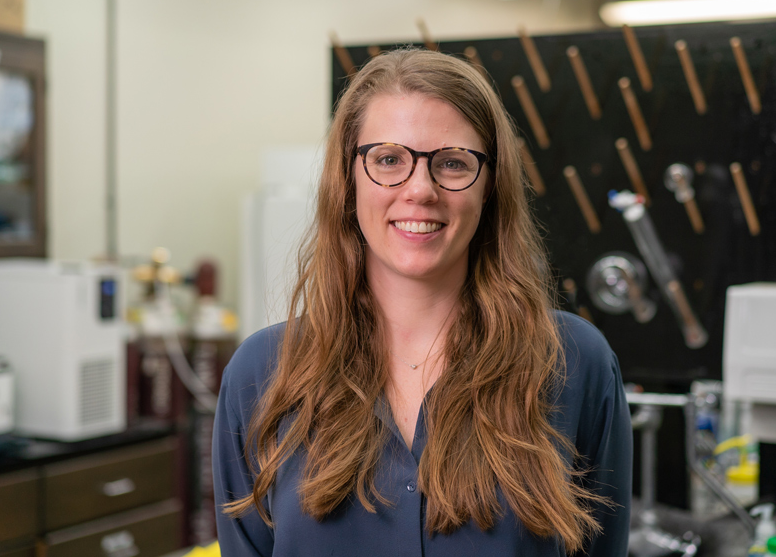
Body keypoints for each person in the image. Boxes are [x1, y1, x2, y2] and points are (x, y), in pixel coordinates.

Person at [213, 48, 632, 556]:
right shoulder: (262, 375)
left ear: (491, 188)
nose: (420, 189)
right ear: (346, 181)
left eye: (453, 163)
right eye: (388, 159)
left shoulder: (572, 362)